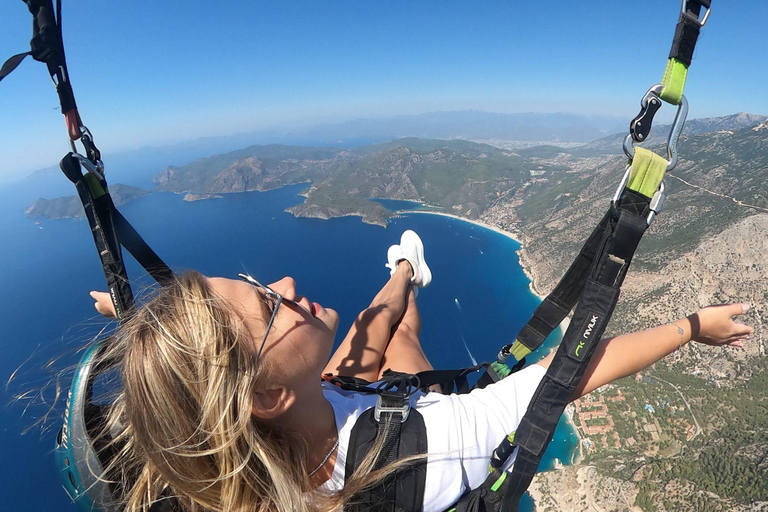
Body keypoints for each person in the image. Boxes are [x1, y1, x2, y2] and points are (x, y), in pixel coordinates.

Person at [89, 230, 752, 512]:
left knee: (369, 332)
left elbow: (187, 400)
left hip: (335, 418)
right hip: (402, 429)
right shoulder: (430, 448)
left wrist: (142, 326)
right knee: (397, 335)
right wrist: (693, 327)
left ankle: (405, 268)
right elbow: (568, 372)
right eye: (268, 304)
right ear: (264, 394)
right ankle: (407, 267)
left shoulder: (227, 465)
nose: (285, 283)